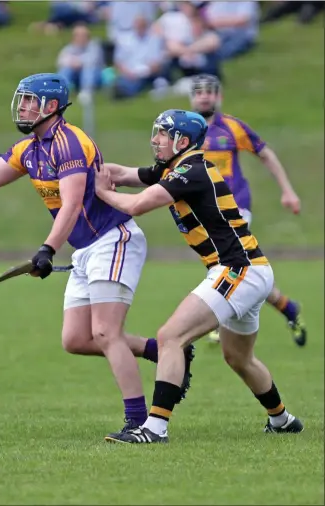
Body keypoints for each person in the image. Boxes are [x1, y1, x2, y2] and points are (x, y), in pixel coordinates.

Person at [0, 72, 195, 438]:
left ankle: (140, 422)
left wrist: (47, 250)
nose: (23, 106)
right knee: (76, 340)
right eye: (22, 99)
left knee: (106, 332)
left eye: (30, 100)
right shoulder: (28, 149)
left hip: (113, 238)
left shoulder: (70, 143)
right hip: (85, 249)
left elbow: (72, 203)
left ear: (52, 106)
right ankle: (165, 352)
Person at [96, 109, 304, 444]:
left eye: (161, 134)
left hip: (238, 269)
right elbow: (126, 173)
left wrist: (102, 192)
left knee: (170, 337)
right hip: (250, 270)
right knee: (238, 357)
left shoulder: (191, 171)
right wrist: (90, 170)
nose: (154, 139)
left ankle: (154, 428)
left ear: (181, 140)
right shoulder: (176, 168)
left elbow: (136, 205)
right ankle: (283, 419)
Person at [189, 74, 306, 346]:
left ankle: (216, 318)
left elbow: (265, 153)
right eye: (199, 91)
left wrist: (287, 190)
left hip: (236, 207)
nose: (204, 96)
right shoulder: (187, 132)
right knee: (247, 274)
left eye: (210, 91)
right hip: (204, 211)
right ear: (192, 97)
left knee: (225, 264)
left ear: (219, 96)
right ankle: (288, 307)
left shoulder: (232, 128)